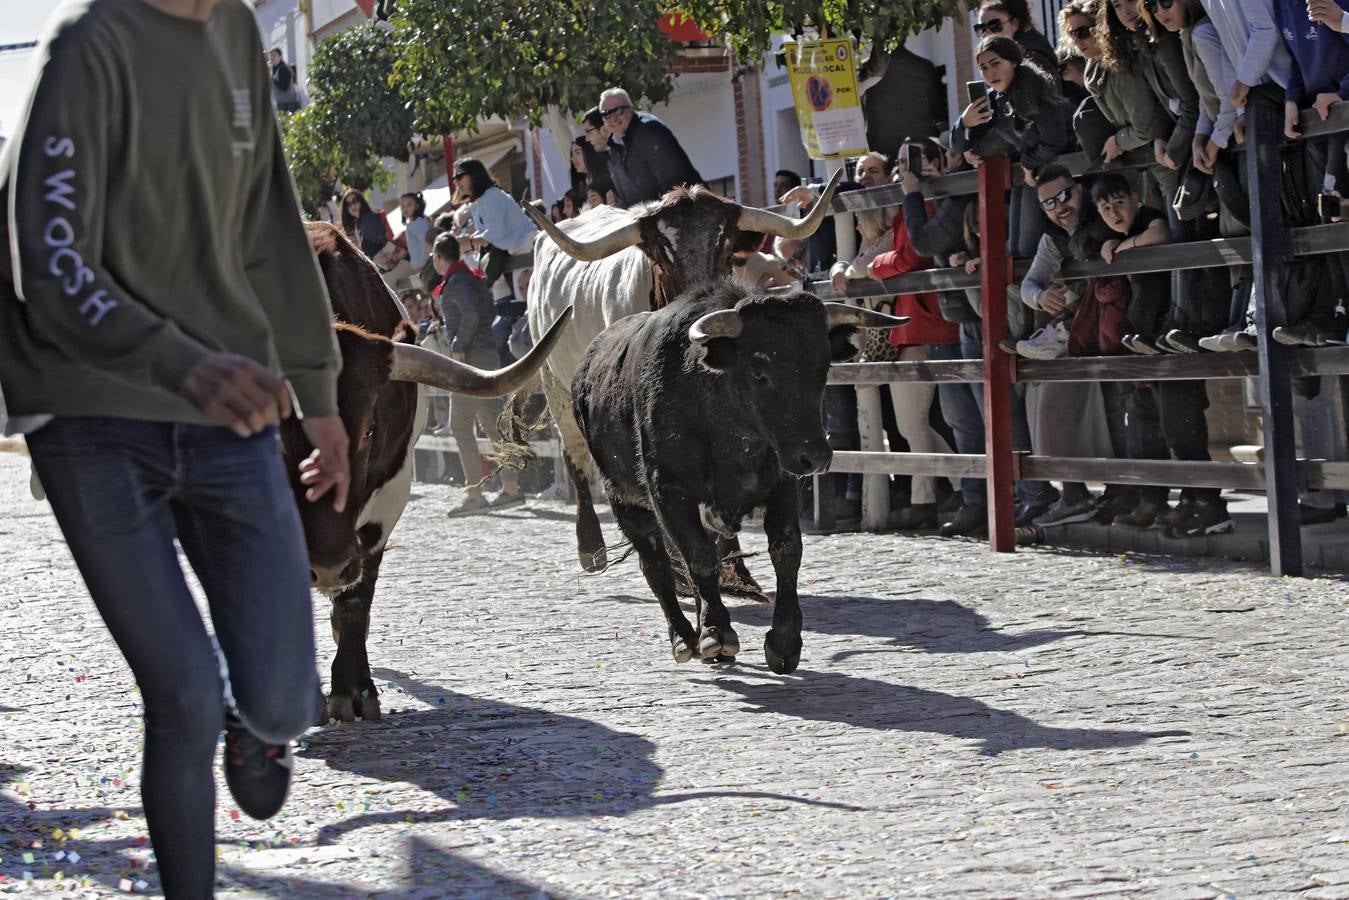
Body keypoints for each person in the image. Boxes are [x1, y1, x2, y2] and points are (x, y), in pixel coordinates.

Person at [0, 0, 351, 895]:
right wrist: (178, 363)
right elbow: (48, 258)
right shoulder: (86, 46)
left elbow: (271, 228)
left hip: (229, 412)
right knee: (185, 692)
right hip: (90, 412)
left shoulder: (235, 32)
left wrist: (318, 394)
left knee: (283, 698)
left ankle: (259, 723)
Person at [430, 233, 525, 515]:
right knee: (492, 422)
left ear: (438, 256)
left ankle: (475, 493)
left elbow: (470, 314)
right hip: (487, 353)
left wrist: (458, 345)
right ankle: (511, 488)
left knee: (460, 425)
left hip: (470, 358)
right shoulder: (469, 277)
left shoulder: (457, 281)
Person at [599, 87, 704, 206]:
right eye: (606, 114)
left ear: (631, 108)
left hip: (688, 212)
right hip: (654, 219)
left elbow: (677, 185)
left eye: (618, 111)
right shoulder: (614, 147)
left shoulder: (649, 130)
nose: (613, 118)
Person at [339, 188, 391, 259]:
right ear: (346, 209)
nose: (352, 206)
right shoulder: (358, 224)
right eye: (348, 204)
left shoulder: (367, 218)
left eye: (354, 201)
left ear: (361, 201)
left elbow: (384, 241)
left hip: (395, 264)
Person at [268, 47, 301, 112]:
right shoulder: (275, 69)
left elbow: (284, 87)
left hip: (288, 105)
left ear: (280, 57)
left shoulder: (283, 69)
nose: (272, 58)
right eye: (271, 56)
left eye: (274, 55)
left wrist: (271, 78)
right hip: (281, 104)